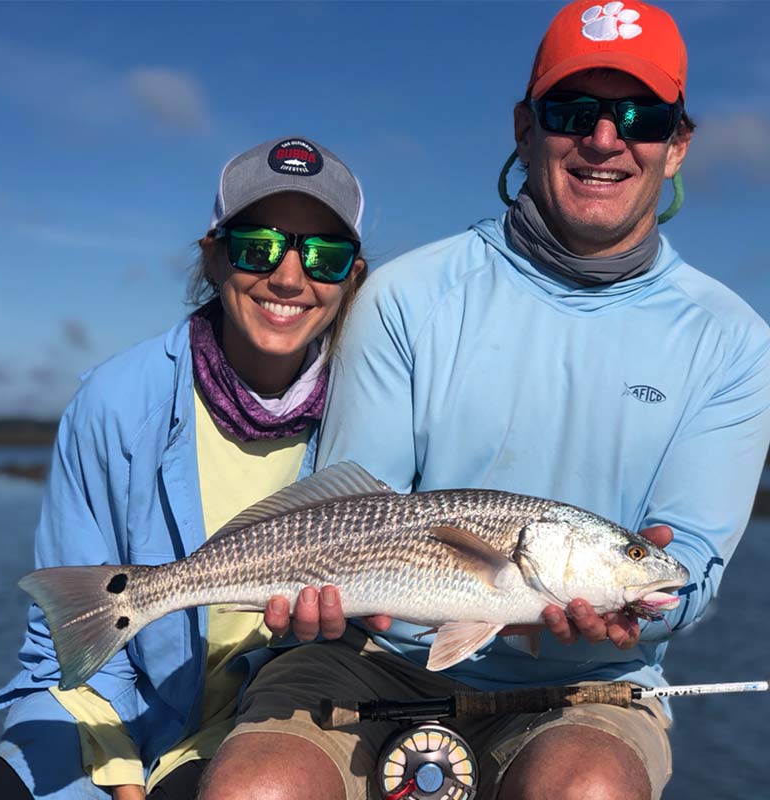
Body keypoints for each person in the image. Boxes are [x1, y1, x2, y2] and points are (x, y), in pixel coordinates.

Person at [199, 3, 770, 800]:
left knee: (589, 790)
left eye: (639, 117)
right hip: (368, 656)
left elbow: (689, 573)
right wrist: (332, 597)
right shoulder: (406, 295)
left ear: (676, 146)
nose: (605, 140)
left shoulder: (734, 341)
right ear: (524, 128)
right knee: (257, 789)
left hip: (593, 678)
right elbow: (359, 503)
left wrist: (640, 610)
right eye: (573, 112)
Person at [0, 135, 369, 800]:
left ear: (353, 279)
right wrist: (119, 774)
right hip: (109, 701)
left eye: (326, 257)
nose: (288, 277)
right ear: (213, 255)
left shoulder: (376, 407)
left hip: (269, 713)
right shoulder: (112, 400)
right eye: (259, 246)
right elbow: (67, 642)